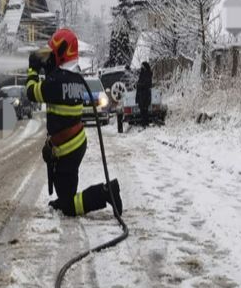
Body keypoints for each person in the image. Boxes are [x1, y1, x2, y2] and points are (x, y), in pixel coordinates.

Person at [27, 28, 123, 217]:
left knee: (70, 207)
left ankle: (106, 192)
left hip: (67, 149)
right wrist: (47, 67)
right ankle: (66, 200)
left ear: (61, 53)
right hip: (75, 143)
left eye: (52, 54)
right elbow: (59, 83)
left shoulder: (55, 82)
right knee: (66, 195)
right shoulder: (77, 79)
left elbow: (31, 92)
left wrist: (32, 68)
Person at [137, 61, 153, 128]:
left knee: (145, 109)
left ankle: (145, 123)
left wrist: (140, 85)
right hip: (141, 94)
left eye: (143, 67)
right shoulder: (142, 73)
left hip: (145, 94)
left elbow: (147, 84)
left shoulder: (148, 74)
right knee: (142, 109)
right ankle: (144, 123)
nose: (141, 68)